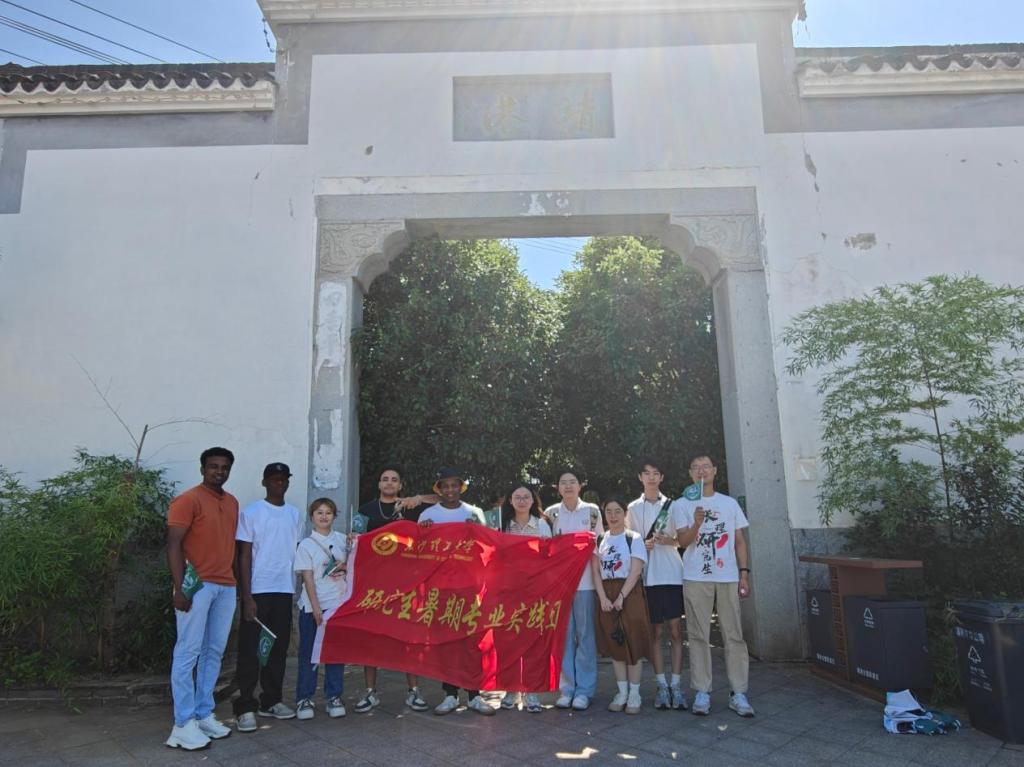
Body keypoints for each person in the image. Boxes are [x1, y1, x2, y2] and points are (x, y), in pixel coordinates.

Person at [164, 447, 239, 751]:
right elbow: (173, 544)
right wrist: (180, 588)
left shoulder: (231, 502)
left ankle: (203, 713)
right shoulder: (188, 500)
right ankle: (182, 724)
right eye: (213, 466)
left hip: (226, 586)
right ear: (202, 469)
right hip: (197, 586)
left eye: (224, 467)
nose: (219, 471)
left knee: (213, 652)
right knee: (188, 652)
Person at [672, 455, 755, 718]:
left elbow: (739, 541)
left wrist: (744, 574)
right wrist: (697, 523)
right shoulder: (681, 504)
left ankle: (738, 692)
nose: (701, 471)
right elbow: (682, 542)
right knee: (698, 635)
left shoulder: (729, 503)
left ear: (715, 471)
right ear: (690, 473)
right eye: (696, 467)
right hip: (696, 576)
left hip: (728, 576)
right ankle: (702, 691)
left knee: (734, 635)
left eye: (706, 466)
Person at [353, 466, 437, 714]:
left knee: (408, 637)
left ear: (400, 485)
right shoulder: (366, 510)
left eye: (394, 480)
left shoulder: (411, 508)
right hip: (374, 584)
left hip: (406, 584)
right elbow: (356, 540)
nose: (389, 483)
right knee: (371, 639)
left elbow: (444, 497)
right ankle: (370, 692)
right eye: (385, 479)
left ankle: (413, 691)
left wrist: (418, 498)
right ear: (379, 484)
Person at [233, 462, 304, 732]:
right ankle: (245, 706)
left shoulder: (294, 515)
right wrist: (247, 596)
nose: (279, 483)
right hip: (258, 591)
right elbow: (244, 555)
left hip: (284, 590)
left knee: (277, 648)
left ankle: (271, 700)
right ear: (264, 482)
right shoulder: (251, 513)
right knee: (251, 650)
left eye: (284, 479)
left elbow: (298, 551)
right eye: (274, 479)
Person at [419, 467, 495, 717]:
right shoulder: (428, 515)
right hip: (441, 588)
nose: (450, 490)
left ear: (461, 488)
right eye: (446, 486)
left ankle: (474, 694)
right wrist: (424, 532)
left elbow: (488, 546)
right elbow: (420, 552)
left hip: (469, 587)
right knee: (446, 642)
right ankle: (450, 694)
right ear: (439, 489)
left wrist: (477, 529)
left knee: (472, 641)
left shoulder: (473, 513)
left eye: (455, 485)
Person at [625, 458, 687, 711]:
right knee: (655, 633)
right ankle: (661, 685)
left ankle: (677, 685)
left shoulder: (674, 505)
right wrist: (643, 544)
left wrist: (669, 540)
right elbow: (628, 542)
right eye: (646, 473)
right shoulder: (632, 508)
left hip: (672, 575)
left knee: (676, 631)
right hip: (648, 577)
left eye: (655, 473)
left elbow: (683, 540)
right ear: (640, 477)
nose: (651, 477)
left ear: (661, 477)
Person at [545, 469, 604, 711]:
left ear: (581, 485)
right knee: (563, 636)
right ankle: (567, 688)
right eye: (563, 482)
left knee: (586, 635)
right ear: (557, 487)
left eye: (572, 482)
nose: (568, 486)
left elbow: (599, 546)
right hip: (559, 586)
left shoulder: (592, 512)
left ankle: (585, 690)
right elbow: (545, 550)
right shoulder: (551, 513)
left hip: (586, 583)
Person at [593, 496, 651, 714]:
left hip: (630, 593)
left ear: (625, 513)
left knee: (633, 641)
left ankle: (635, 693)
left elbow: (636, 570)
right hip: (607, 593)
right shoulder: (600, 539)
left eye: (617, 511)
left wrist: (621, 597)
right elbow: (595, 571)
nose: (613, 516)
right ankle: (622, 692)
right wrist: (603, 598)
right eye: (609, 511)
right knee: (614, 643)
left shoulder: (633, 538)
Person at [499, 483, 552, 713]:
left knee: (533, 641)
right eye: (517, 497)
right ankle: (511, 689)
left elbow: (549, 556)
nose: (521, 501)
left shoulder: (542, 525)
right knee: (509, 640)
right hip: (508, 591)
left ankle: (531, 691)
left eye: (526, 497)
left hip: (535, 590)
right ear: (510, 501)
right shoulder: (502, 525)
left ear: (533, 500)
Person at [294, 498, 348, 721]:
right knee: (309, 653)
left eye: (328, 512)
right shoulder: (306, 545)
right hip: (312, 607)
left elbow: (354, 566)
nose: (324, 516)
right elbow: (307, 579)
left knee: (335, 652)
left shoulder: (343, 540)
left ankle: (334, 696)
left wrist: (345, 566)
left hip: (337, 604)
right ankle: (304, 698)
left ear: (334, 516)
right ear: (312, 517)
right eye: (319, 512)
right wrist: (316, 608)